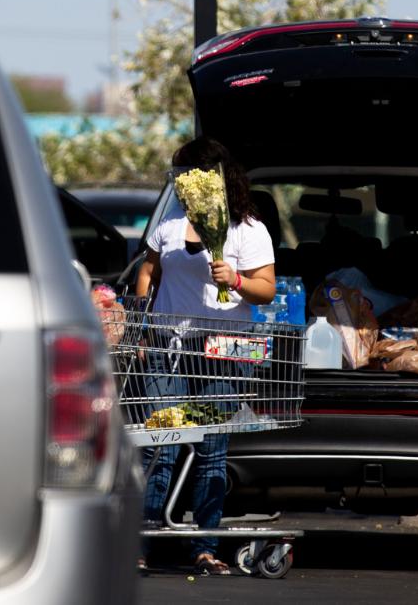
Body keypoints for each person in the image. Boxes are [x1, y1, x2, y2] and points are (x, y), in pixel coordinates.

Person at [136, 137, 276, 574]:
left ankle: (204, 546)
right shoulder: (171, 224)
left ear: (210, 179)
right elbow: (148, 270)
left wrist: (234, 278)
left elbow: (266, 288)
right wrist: (142, 321)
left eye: (186, 176)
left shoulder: (248, 230)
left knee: (212, 448)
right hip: (169, 346)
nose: (180, 185)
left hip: (222, 350)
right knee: (160, 444)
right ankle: (143, 539)